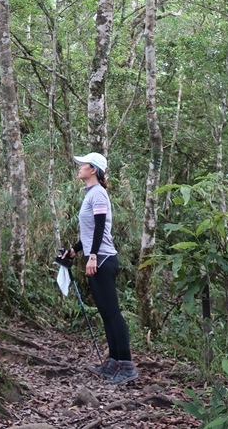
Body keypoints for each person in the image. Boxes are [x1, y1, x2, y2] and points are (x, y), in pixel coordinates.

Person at [64, 152, 138, 385]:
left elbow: (99, 228)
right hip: (98, 257)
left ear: (93, 169)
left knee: (113, 313)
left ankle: (127, 365)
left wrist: (93, 256)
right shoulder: (91, 194)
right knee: (106, 313)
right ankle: (114, 362)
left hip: (103, 259)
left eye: (82, 165)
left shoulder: (98, 195)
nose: (79, 168)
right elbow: (89, 231)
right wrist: (76, 250)